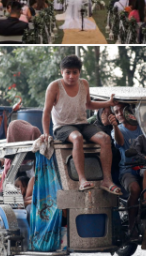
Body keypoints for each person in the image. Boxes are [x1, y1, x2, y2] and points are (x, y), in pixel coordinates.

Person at [41, 55, 121, 194]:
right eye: (68, 72)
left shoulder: (84, 84)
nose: (71, 76)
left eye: (75, 72)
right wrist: (46, 134)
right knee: (77, 138)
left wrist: (108, 103)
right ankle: (82, 180)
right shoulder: (54, 87)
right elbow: (46, 112)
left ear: (79, 72)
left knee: (105, 139)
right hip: (62, 127)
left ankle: (107, 180)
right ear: (61, 72)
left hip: (82, 124)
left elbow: (88, 104)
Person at [111, 103, 145, 239]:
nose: (118, 114)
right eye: (116, 112)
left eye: (121, 110)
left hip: (145, 167)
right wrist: (114, 125)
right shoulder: (117, 130)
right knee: (135, 189)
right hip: (127, 170)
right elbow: (119, 142)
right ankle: (131, 227)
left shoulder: (143, 128)